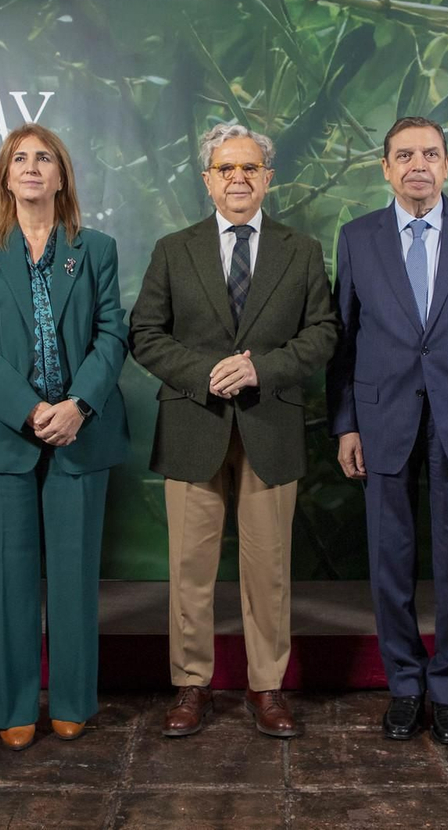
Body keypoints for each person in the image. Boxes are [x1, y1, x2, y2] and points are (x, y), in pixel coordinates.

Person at [129, 122, 338, 739]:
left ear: (268, 178)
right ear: (208, 179)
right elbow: (145, 332)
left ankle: (267, 686)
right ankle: (190, 686)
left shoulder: (300, 250)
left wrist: (261, 368)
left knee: (269, 569)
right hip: (194, 426)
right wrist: (206, 372)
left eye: (250, 168)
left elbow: (323, 332)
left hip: (271, 427)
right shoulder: (175, 248)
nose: (239, 178)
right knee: (190, 568)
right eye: (226, 169)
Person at [328, 116, 448, 746]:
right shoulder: (357, 237)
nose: (418, 164)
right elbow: (344, 341)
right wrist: (346, 425)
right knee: (390, 559)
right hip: (382, 416)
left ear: (447, 165)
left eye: (430, 154)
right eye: (404, 155)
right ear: (385, 168)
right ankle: (406, 685)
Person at [0, 124, 130, 750]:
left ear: (61, 176)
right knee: (5, 576)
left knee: (76, 574)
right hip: (3, 434)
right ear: (5, 176)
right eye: (20, 159)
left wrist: (78, 404)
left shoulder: (97, 249)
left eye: (45, 158)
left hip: (81, 434)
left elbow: (113, 336)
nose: (32, 167)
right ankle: (11, 704)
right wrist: (30, 410)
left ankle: (75, 700)